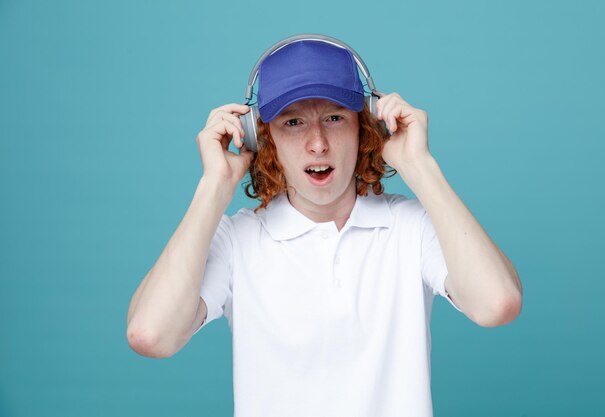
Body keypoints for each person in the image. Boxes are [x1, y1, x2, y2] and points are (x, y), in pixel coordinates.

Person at [126, 36, 523, 417]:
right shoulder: (238, 240)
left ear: (364, 127)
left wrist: (420, 165)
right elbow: (150, 334)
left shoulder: (410, 228)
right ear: (263, 139)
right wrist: (214, 187)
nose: (317, 143)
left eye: (334, 117)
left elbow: (496, 304)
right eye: (293, 122)